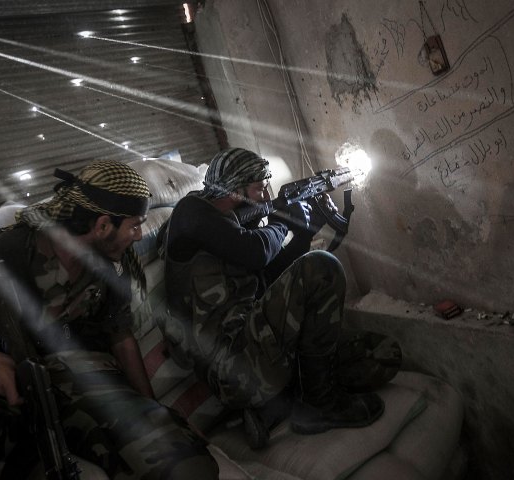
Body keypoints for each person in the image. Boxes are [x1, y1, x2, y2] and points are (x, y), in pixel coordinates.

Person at [0, 160, 219, 479]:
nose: (138, 234)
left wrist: (153, 409)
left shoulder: (111, 264)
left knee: (186, 466)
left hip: (89, 393)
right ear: (103, 225)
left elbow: (121, 337)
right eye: (133, 225)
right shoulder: (0, 258)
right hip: (12, 398)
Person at [161, 148, 397, 449]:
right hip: (232, 365)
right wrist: (283, 221)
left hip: (263, 345)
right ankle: (318, 406)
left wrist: (303, 234)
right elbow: (255, 252)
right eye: (259, 189)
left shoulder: (236, 228)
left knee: (383, 354)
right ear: (234, 190)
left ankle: (282, 400)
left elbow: (270, 279)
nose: (265, 197)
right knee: (323, 267)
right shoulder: (191, 212)